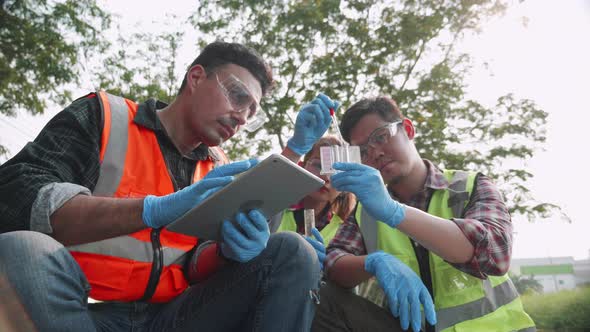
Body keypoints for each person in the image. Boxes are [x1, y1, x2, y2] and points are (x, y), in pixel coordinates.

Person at [0, 41, 325, 332]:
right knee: (23, 249)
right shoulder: (104, 117)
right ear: (196, 77)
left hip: (173, 318)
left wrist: (226, 252)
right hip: (80, 310)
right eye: (238, 97)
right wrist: (150, 210)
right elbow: (15, 196)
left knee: (294, 251)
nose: (241, 117)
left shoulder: (219, 168)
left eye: (251, 112)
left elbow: (194, 264)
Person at [313, 97, 536, 332]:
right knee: (318, 297)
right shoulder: (366, 211)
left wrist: (394, 212)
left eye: (381, 137)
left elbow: (496, 252)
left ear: (408, 129)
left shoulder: (469, 186)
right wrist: (373, 262)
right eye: (363, 151)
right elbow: (333, 260)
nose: (375, 153)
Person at [274, 136, 357, 267]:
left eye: (337, 172)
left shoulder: (344, 229)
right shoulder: (275, 204)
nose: (326, 177)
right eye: (318, 165)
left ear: (345, 186)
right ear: (301, 166)